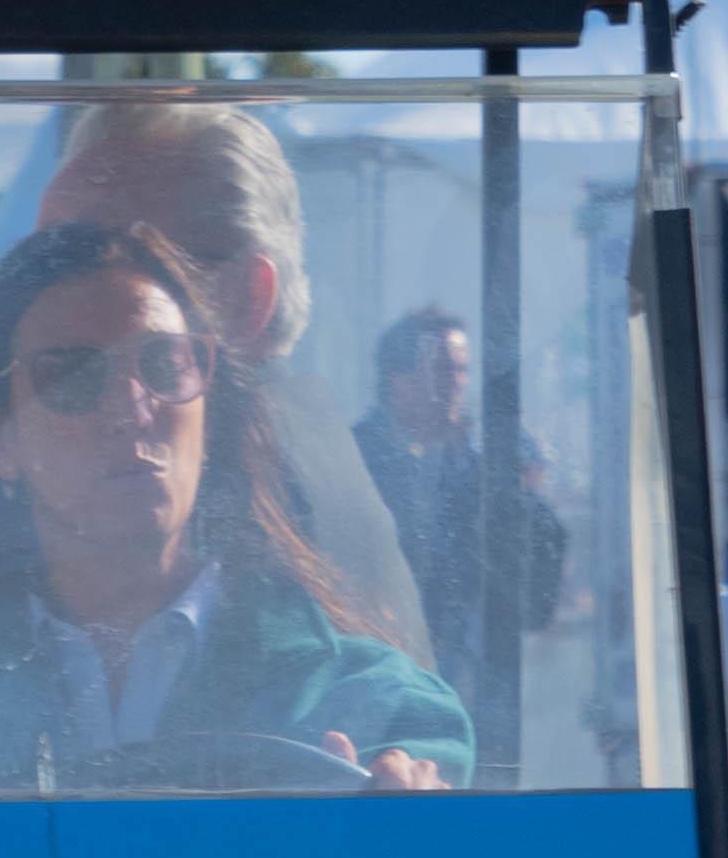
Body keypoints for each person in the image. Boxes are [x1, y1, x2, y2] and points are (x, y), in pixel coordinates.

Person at [0, 222, 470, 793]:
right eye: (73, 376)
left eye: (164, 364)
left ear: (209, 412)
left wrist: (407, 828)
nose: (131, 408)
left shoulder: (377, 708)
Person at [35, 101, 435, 659]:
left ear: (248, 300)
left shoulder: (247, 487)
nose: (43, 301)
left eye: (115, 263)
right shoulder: (289, 440)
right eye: (41, 264)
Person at [352, 305, 568, 697]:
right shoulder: (354, 459)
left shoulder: (477, 464)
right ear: (398, 380)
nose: (456, 384)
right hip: (377, 672)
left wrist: (508, 478)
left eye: (462, 370)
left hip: (469, 682)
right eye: (442, 370)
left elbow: (537, 589)